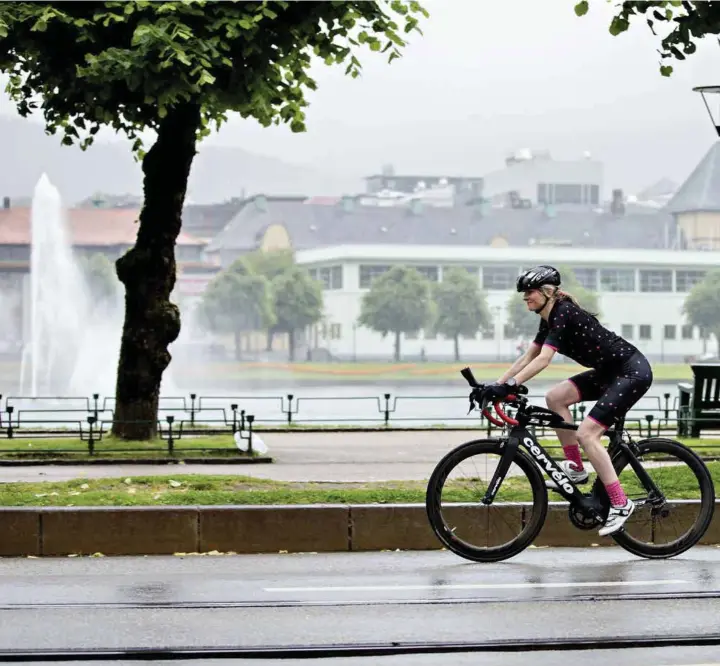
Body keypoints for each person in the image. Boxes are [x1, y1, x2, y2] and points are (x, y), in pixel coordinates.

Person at [483, 265, 653, 536]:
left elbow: (543, 360)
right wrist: (498, 385)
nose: (525, 297)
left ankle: (620, 503)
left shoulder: (564, 312)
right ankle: (575, 467)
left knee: (588, 435)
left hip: (631, 372)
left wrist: (513, 385)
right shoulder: (549, 317)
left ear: (547, 293)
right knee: (555, 397)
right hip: (609, 373)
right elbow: (529, 356)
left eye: (529, 292)